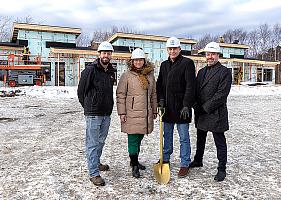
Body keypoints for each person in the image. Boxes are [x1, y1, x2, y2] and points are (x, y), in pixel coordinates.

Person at [189, 42, 232, 182]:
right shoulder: (201, 72)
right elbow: (195, 90)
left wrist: (205, 107)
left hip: (215, 114)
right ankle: (198, 159)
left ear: (218, 55)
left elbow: (221, 94)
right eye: (208, 54)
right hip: (201, 112)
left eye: (213, 54)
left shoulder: (224, 72)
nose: (210, 57)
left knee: (219, 141)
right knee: (200, 138)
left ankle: (221, 168)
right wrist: (195, 105)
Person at [156, 36, 196, 178]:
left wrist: (186, 105)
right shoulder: (164, 65)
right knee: (167, 136)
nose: (172, 51)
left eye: (175, 48)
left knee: (184, 137)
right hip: (167, 108)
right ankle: (165, 158)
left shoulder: (187, 63)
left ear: (179, 49)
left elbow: (191, 86)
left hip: (181, 110)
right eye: (170, 49)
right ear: (167, 50)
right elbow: (159, 84)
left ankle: (185, 163)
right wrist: (160, 100)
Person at [77, 41, 115, 186]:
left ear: (111, 55)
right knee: (92, 143)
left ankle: (96, 162)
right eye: (103, 53)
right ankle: (93, 173)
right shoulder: (90, 70)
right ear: (99, 54)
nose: (106, 55)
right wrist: (87, 107)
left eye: (108, 53)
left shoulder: (110, 71)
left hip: (106, 113)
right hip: (93, 113)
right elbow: (81, 91)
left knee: (101, 141)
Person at [116, 48, 157, 178]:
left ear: (144, 61)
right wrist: (122, 113)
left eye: (140, 60)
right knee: (133, 139)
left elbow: (153, 94)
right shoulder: (127, 76)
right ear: (132, 61)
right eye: (136, 60)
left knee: (139, 137)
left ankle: (134, 160)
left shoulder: (150, 75)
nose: (138, 62)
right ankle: (134, 165)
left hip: (146, 113)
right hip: (131, 113)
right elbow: (120, 94)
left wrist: (154, 109)